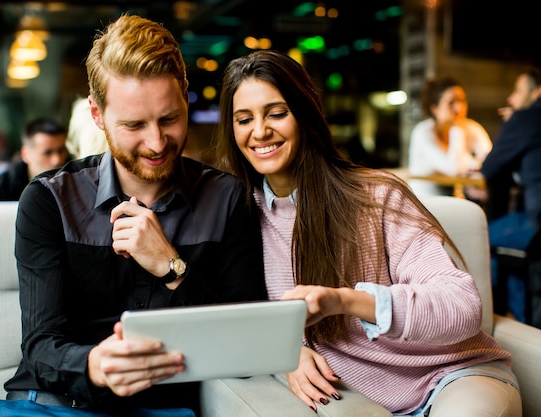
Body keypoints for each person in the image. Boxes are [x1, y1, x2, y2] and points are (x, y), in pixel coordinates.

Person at [0, 14, 266, 417]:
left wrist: (172, 268)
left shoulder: (226, 198)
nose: (156, 142)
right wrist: (96, 365)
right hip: (51, 406)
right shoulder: (49, 200)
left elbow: (248, 340)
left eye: (169, 118)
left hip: (163, 407)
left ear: (184, 96)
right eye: (134, 125)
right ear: (97, 115)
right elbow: (41, 345)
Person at [214, 50, 521, 416]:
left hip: (451, 378)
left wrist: (344, 301)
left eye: (277, 113)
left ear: (306, 113)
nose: (260, 131)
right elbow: (231, 320)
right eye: (243, 119)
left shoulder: (376, 196)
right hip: (365, 398)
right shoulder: (241, 215)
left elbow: (462, 305)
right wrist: (286, 351)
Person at [481, 66, 541, 323]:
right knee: (507, 251)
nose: (511, 98)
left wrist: (511, 122)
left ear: (539, 92)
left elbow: (489, 168)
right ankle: (522, 321)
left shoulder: (525, 118)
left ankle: (508, 324)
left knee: (481, 239)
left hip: (539, 225)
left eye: (518, 91)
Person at [407, 76, 492, 197]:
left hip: (454, 200)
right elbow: (454, 169)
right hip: (423, 203)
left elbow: (491, 160)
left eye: (462, 101)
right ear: (435, 109)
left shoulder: (470, 127)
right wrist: (456, 130)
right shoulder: (423, 132)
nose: (459, 108)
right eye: (451, 103)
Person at [0, 117, 70, 201]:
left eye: (61, 151)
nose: (57, 160)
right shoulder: (2, 187)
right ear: (26, 154)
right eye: (47, 153)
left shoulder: (75, 176)